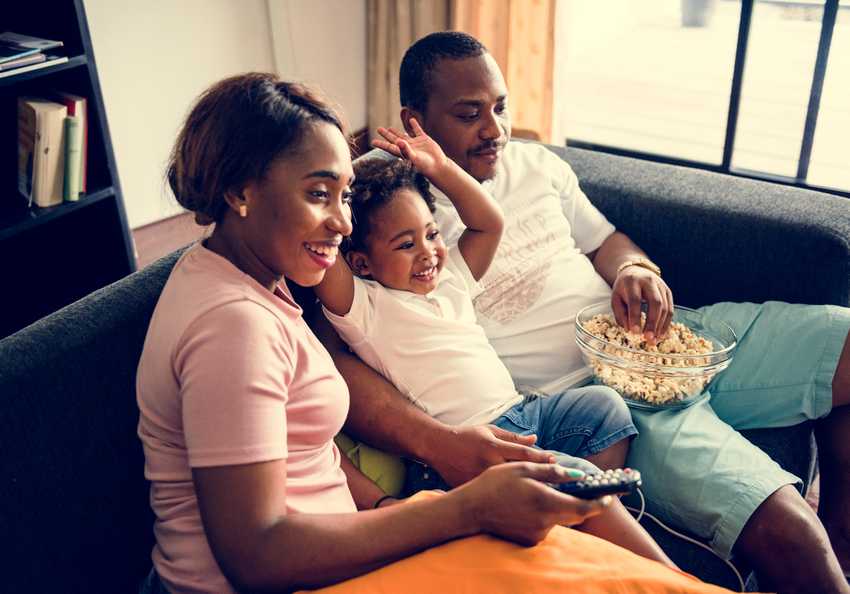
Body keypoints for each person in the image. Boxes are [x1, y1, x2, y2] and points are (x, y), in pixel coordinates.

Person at [135, 72, 735, 594]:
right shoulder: (233, 326)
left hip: (344, 542)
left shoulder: (254, 279)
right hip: (294, 580)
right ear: (240, 191)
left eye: (344, 196)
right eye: (319, 194)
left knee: (582, 533)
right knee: (582, 568)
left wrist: (385, 507)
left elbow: (296, 451)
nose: (342, 222)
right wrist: (461, 508)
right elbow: (256, 555)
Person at [315, 31, 850, 594]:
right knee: (792, 529)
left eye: (499, 108)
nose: (494, 129)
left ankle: (843, 531)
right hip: (592, 392)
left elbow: (606, 241)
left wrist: (633, 270)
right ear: (416, 119)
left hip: (670, 336)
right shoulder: (387, 216)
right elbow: (336, 340)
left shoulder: (533, 164)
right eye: (469, 114)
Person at [312, 122, 673, 566]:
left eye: (431, 234)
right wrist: (332, 189)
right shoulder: (363, 307)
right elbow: (327, 256)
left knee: (604, 407)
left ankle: (573, 525)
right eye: (406, 244)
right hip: (463, 452)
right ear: (362, 262)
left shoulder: (450, 280)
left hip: (522, 412)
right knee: (577, 475)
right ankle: (662, 570)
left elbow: (488, 221)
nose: (427, 252)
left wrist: (441, 167)